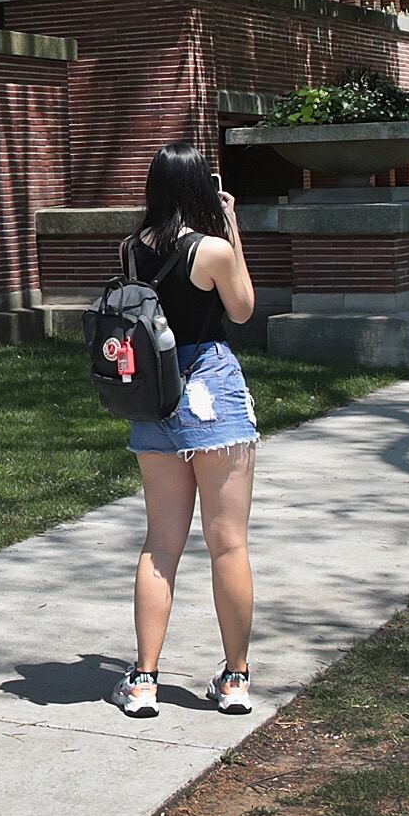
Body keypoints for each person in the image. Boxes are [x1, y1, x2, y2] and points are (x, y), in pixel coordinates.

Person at [112, 143, 263, 721]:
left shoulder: (131, 249)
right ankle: (236, 678)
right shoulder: (214, 249)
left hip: (154, 395)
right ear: (202, 186)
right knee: (228, 542)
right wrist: (231, 227)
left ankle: (145, 678)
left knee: (160, 543)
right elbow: (243, 309)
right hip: (211, 391)